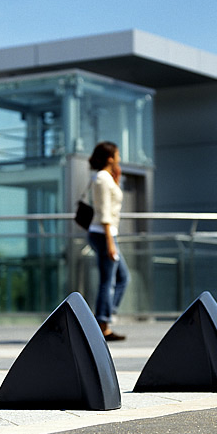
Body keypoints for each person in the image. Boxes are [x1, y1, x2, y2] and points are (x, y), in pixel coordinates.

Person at [87, 141, 130, 341]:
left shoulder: (107, 178)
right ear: (110, 158)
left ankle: (103, 318)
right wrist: (110, 242)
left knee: (122, 277)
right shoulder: (102, 179)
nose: (119, 158)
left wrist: (117, 179)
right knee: (108, 280)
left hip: (106, 234)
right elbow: (104, 212)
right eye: (117, 154)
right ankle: (102, 324)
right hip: (104, 234)